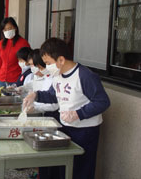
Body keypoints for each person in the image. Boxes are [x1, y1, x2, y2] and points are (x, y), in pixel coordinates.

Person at [23, 38, 110, 179]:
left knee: (81, 169)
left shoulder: (84, 75)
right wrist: (36, 95)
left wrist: (78, 114)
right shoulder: (58, 75)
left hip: (85, 131)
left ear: (61, 60)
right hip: (65, 127)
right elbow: (53, 95)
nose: (47, 67)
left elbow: (102, 102)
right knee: (64, 167)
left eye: (48, 63)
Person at [0, 17, 30, 93]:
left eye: (10, 28)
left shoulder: (23, 43)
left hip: (15, 81)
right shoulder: (1, 43)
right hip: (1, 80)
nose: (7, 31)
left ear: (15, 28)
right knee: (0, 102)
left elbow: (28, 64)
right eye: (5, 30)